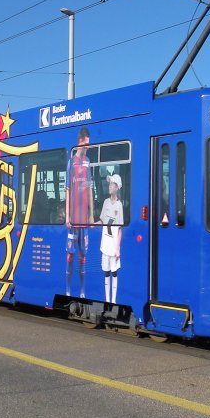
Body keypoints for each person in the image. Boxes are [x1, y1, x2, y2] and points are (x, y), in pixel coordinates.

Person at [65, 126, 93, 297]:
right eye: (85, 143)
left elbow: (89, 188)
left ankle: (82, 291)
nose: (87, 146)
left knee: (83, 255)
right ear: (79, 142)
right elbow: (67, 189)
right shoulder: (71, 163)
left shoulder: (88, 162)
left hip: (84, 218)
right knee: (70, 255)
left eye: (88, 144)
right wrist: (68, 216)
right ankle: (68, 290)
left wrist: (91, 214)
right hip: (74, 218)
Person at [98, 173, 123, 304]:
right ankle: (107, 300)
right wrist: (90, 223)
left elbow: (119, 229)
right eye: (109, 184)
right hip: (105, 244)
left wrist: (118, 248)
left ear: (117, 187)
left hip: (113, 246)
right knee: (106, 272)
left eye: (112, 184)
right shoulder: (105, 202)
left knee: (114, 273)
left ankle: (113, 300)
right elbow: (101, 220)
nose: (109, 186)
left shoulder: (119, 205)